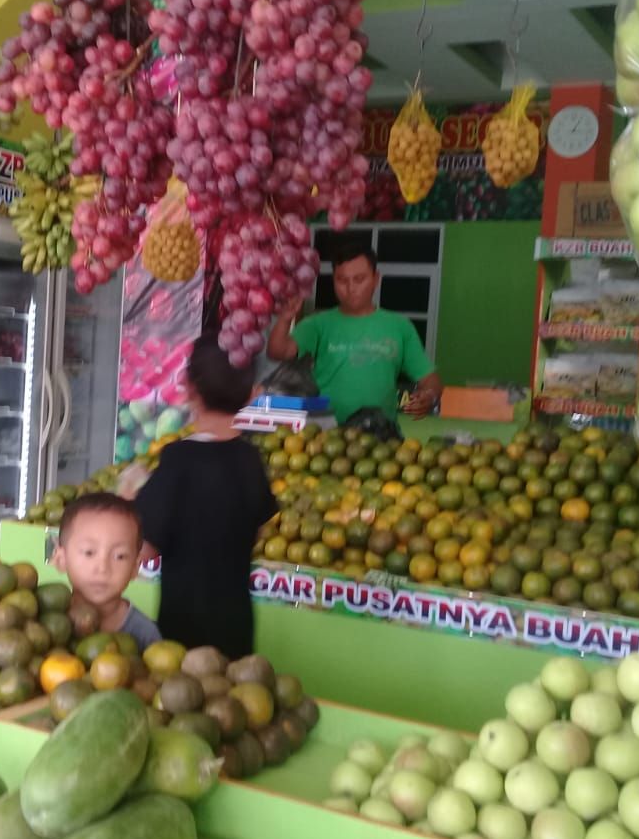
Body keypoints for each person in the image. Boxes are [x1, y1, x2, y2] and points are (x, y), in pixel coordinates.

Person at [131, 337, 278, 658]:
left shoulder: (179, 459)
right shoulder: (250, 458)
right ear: (251, 393)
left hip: (186, 624)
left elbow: (144, 549)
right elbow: (257, 529)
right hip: (236, 622)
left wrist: (128, 498)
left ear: (188, 388)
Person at [267, 246, 442, 424]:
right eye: (342, 280)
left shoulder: (399, 326)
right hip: (326, 434)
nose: (350, 288)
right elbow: (278, 352)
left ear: (376, 279)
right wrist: (285, 319)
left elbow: (430, 378)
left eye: (359, 279)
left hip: (381, 434)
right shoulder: (317, 324)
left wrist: (429, 396)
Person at [51, 492, 162, 651]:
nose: (102, 568)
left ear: (134, 569)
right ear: (61, 559)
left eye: (119, 556)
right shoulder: (47, 619)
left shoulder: (145, 634)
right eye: (89, 552)